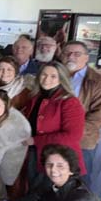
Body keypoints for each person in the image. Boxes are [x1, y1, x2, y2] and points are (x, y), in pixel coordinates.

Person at [22, 61, 86, 189]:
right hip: (36, 155)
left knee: (56, 195)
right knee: (36, 191)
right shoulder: (35, 97)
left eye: (53, 76)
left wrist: (35, 140)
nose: (47, 79)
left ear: (61, 79)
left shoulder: (70, 102)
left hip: (60, 160)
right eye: (44, 75)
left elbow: (73, 136)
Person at [62, 41, 101, 182]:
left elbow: (100, 116)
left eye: (77, 54)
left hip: (80, 141)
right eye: (67, 53)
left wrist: (70, 132)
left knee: (79, 182)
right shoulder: (54, 75)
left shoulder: (98, 83)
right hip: (52, 138)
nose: (71, 57)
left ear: (86, 58)